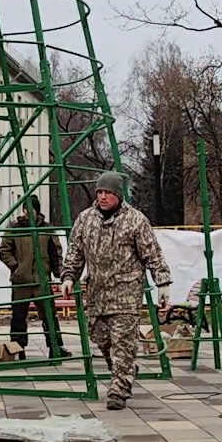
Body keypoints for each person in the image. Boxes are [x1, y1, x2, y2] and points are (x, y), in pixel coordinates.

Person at [60, 171, 172, 411]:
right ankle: (127, 368)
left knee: (122, 342)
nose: (102, 197)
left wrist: (162, 282)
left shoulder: (135, 220)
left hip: (126, 293)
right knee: (100, 338)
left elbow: (152, 253)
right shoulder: (85, 219)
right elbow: (75, 252)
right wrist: (69, 277)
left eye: (108, 193)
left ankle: (118, 390)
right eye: (99, 192)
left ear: (118, 195)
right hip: (98, 292)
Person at [0, 197, 67, 358]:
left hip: (42, 280)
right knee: (18, 317)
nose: (28, 212)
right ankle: (18, 348)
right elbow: (4, 251)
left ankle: (56, 347)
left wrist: (58, 273)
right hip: (21, 280)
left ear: (37, 211)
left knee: (49, 315)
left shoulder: (47, 229)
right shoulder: (14, 229)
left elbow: (55, 252)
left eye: (32, 209)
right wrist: (16, 266)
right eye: (26, 209)